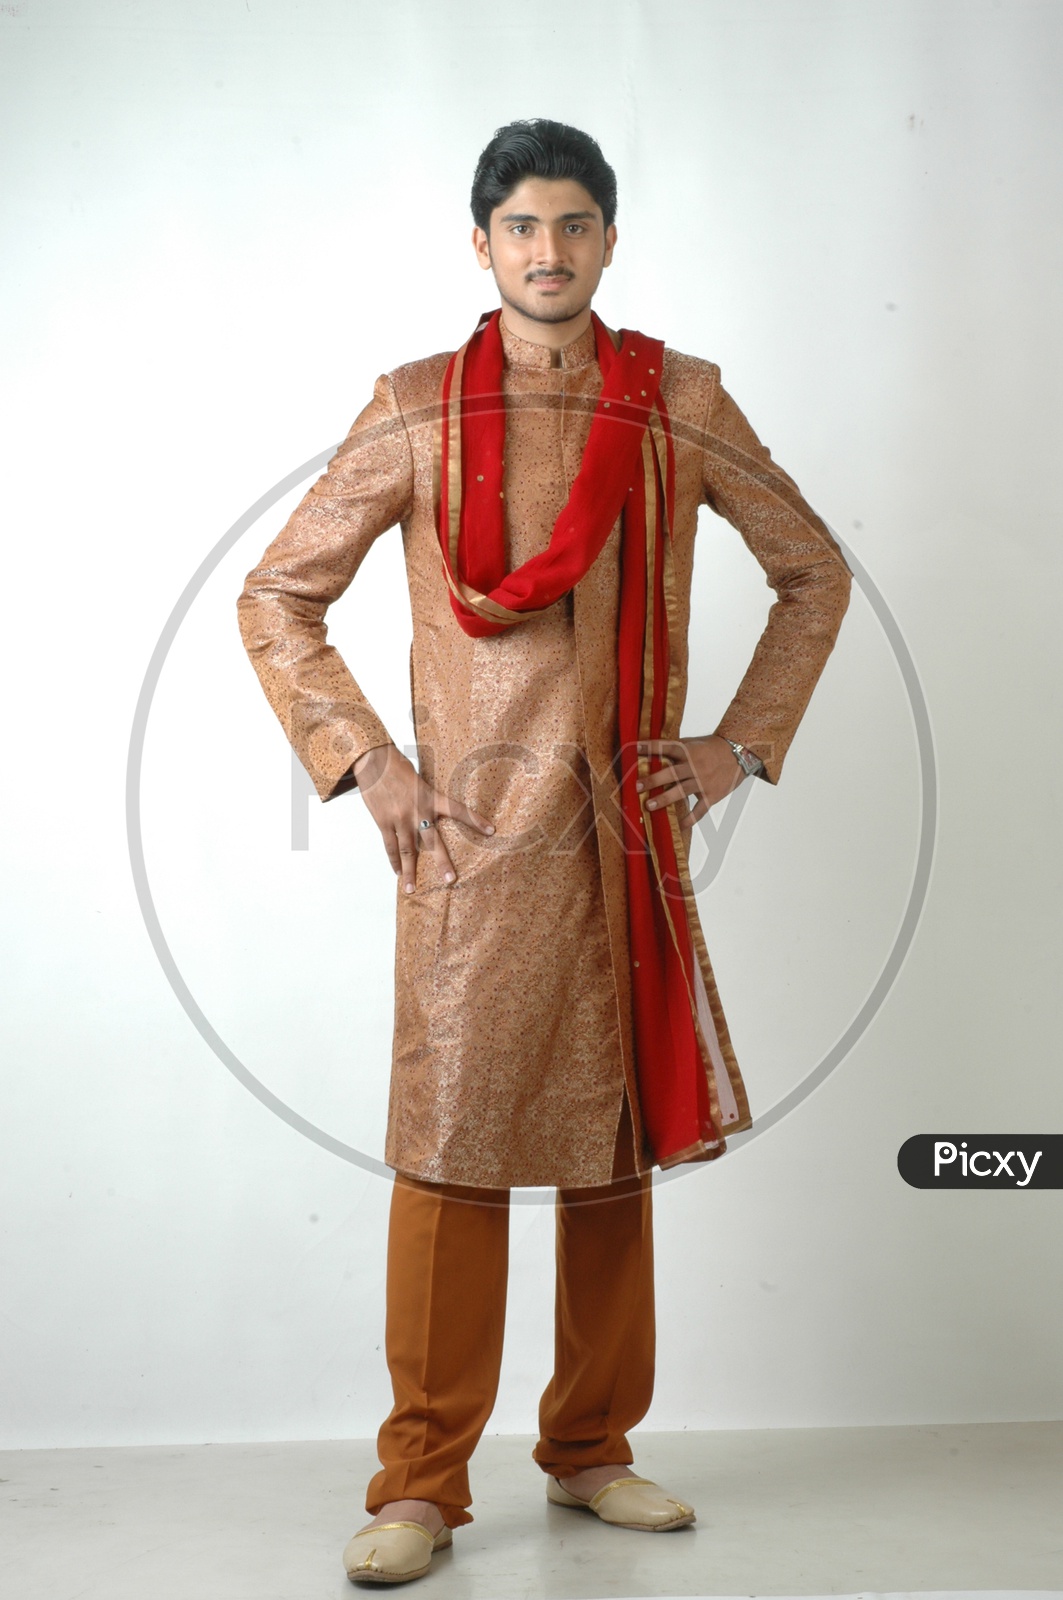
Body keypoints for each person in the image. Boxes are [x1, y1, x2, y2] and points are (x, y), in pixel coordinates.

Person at [237, 118, 851, 1586]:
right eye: (524, 225)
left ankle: (591, 1452)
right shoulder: (416, 409)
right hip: (468, 849)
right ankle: (422, 1481)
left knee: (608, 1150)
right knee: (448, 1160)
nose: (550, 250)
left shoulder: (679, 400)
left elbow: (813, 571)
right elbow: (277, 595)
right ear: (482, 246)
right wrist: (365, 759)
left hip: (624, 840)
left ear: (611, 242)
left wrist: (735, 745)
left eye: (576, 224)